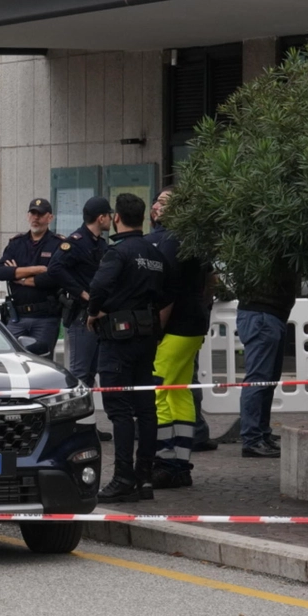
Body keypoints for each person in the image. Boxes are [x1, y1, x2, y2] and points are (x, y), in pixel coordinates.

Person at [87, 193, 172, 502]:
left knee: (119, 409)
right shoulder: (155, 255)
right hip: (147, 337)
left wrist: (93, 312)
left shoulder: (118, 253)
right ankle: (144, 477)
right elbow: (166, 296)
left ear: (118, 219)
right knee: (146, 409)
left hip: (118, 338)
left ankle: (123, 478)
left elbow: (98, 287)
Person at [147, 189, 213, 488]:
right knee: (179, 391)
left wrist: (156, 329)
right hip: (193, 324)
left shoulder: (169, 241)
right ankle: (182, 463)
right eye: (157, 201)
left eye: (163, 202)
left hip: (174, 326)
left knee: (158, 390)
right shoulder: (193, 240)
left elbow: (167, 290)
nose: (156, 206)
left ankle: (164, 461)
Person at [46, 197, 112, 386]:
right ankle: (75, 415)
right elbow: (55, 268)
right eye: (109, 215)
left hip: (96, 314)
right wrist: (82, 293)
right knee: (80, 372)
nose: (110, 219)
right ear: (101, 218)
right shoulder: (75, 242)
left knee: (90, 372)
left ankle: (87, 416)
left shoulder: (99, 243)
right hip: (81, 315)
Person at [237, 269, 296, 458]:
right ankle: (252, 439)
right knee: (259, 380)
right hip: (263, 313)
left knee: (267, 380)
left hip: (267, 313)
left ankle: (259, 434)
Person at [0, 198, 63, 355]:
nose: (35, 218)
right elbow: (1, 272)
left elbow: (53, 277)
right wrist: (35, 269)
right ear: (27, 216)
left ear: (50, 218)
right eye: (33, 213)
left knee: (42, 365)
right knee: (10, 359)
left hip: (44, 318)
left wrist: (18, 276)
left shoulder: (57, 244)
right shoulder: (16, 243)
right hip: (17, 317)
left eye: (40, 214)